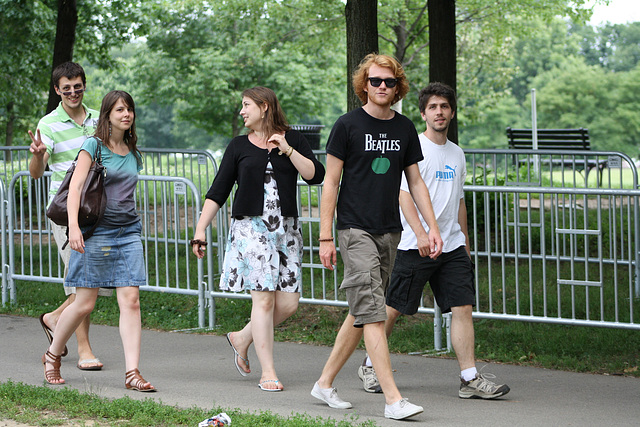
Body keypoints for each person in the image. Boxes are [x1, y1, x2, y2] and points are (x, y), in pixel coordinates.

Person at [310, 53, 443, 420]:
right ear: (363, 86)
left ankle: (323, 384)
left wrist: (431, 227)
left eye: (388, 82)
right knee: (372, 315)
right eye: (374, 81)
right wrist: (325, 237)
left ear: (397, 86)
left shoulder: (403, 128)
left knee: (361, 310)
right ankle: (392, 400)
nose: (381, 87)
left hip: (390, 233)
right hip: (355, 230)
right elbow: (330, 182)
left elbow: (416, 182)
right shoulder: (347, 125)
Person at [191, 86, 325, 392]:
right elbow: (218, 190)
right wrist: (200, 229)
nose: (242, 111)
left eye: (246, 105)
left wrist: (288, 149)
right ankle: (268, 372)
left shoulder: (293, 139)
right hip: (251, 230)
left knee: (289, 304)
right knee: (263, 299)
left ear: (264, 107)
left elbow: (315, 175)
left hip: (286, 231)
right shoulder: (238, 145)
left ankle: (242, 337)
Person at [382, 82, 510, 399]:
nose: (439, 112)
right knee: (393, 309)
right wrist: (424, 234)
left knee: (462, 308)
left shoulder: (457, 153)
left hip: (451, 246)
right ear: (424, 113)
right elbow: (402, 195)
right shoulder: (414, 150)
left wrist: (463, 242)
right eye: (433, 107)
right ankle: (372, 365)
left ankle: (470, 379)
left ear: (452, 112)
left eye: (444, 106)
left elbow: (460, 201)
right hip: (416, 244)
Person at [41, 90, 155, 392]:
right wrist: (74, 228)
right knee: (84, 303)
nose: (126, 114)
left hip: (128, 232)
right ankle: (52, 356)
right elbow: (76, 188)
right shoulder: (93, 146)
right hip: (95, 232)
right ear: (107, 115)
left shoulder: (133, 152)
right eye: (120, 110)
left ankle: (132, 373)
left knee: (131, 301)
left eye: (129, 109)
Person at [28, 61, 110, 371]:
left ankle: (54, 319)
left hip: (97, 208)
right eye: (66, 88)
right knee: (81, 282)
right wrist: (37, 157)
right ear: (57, 90)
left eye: (78, 86)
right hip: (65, 211)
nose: (73, 92)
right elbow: (37, 173)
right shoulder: (48, 124)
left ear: (83, 86)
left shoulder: (97, 120)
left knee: (94, 281)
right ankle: (83, 348)